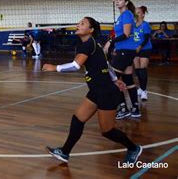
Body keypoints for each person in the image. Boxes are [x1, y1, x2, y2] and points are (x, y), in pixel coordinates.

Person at [42, 17, 142, 164]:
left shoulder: (88, 44)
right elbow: (106, 64)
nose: (78, 25)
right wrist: (115, 79)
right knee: (77, 119)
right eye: (78, 23)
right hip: (96, 90)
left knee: (107, 131)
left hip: (106, 92)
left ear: (91, 30)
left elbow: (76, 66)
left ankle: (134, 148)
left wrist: (54, 68)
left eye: (82, 24)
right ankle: (64, 152)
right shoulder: (95, 44)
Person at [103, 0, 140, 119]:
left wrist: (110, 42)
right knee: (128, 80)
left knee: (112, 79)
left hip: (126, 50)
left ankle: (123, 108)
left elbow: (126, 34)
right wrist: (116, 48)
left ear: (126, 2)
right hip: (124, 50)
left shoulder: (127, 14)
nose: (117, 2)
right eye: (116, 0)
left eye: (120, 0)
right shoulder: (121, 16)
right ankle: (135, 108)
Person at [133, 6, 152, 102]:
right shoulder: (132, 25)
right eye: (135, 12)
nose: (137, 14)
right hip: (135, 49)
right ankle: (140, 88)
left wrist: (139, 47)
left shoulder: (145, 25)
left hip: (145, 49)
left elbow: (146, 39)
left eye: (139, 12)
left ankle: (144, 91)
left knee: (142, 69)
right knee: (137, 70)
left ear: (143, 15)